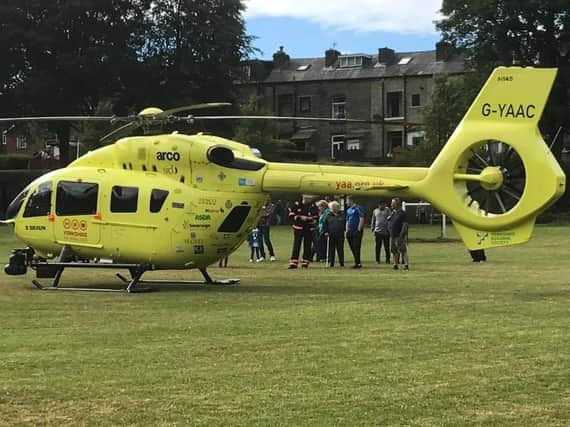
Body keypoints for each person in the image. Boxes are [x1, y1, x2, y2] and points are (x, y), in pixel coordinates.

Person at [288, 195, 318, 269]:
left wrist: (307, 218)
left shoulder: (313, 206)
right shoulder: (296, 205)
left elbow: (315, 218)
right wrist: (300, 217)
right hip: (298, 228)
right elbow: (291, 216)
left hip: (308, 229)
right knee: (296, 245)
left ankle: (305, 263)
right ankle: (293, 263)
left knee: (307, 246)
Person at [388, 198, 409, 270]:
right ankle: (395, 264)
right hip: (392, 235)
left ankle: (406, 265)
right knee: (394, 250)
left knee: (403, 250)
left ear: (396, 204)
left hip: (398, 235)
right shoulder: (393, 213)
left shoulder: (402, 213)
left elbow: (405, 225)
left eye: (392, 203)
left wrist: (401, 235)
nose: (391, 205)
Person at [323, 200, 345, 267]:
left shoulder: (342, 215)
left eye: (335, 207)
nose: (334, 208)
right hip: (331, 235)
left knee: (340, 249)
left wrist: (345, 230)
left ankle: (341, 263)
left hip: (340, 235)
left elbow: (345, 223)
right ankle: (331, 262)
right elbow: (325, 224)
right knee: (331, 249)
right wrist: (326, 232)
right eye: (332, 207)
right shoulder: (328, 216)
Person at [345, 195, 365, 268]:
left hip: (356, 230)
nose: (346, 202)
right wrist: (347, 230)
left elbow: (361, 218)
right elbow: (347, 220)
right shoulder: (348, 210)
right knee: (352, 247)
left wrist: (359, 229)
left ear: (351, 200)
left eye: (347, 201)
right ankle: (356, 261)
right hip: (350, 231)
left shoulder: (358, 208)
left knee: (356, 247)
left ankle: (358, 263)